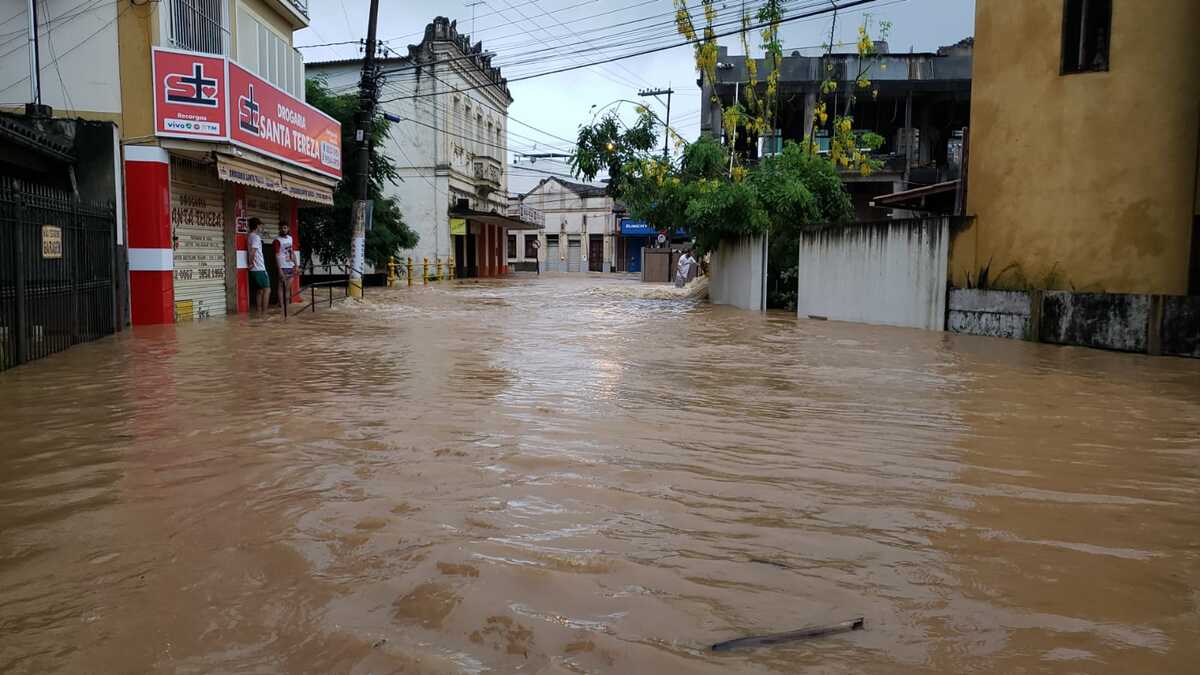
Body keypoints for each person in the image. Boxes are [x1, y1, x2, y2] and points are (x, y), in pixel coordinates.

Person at [246, 218, 270, 315]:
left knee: (259, 290)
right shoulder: (256, 237)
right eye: (260, 226)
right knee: (267, 290)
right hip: (259, 268)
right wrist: (251, 263)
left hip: (255, 269)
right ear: (257, 226)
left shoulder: (250, 236)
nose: (261, 227)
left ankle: (259, 311)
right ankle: (265, 313)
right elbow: (252, 252)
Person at [274, 221, 298, 310]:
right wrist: (279, 269)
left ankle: (286, 307)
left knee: (288, 287)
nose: (283, 230)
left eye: (285, 228)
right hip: (282, 266)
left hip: (290, 265)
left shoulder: (290, 238)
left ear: (288, 229)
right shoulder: (277, 240)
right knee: (281, 286)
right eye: (281, 228)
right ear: (279, 229)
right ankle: (281, 306)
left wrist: (296, 265)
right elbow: (276, 255)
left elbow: (292, 252)